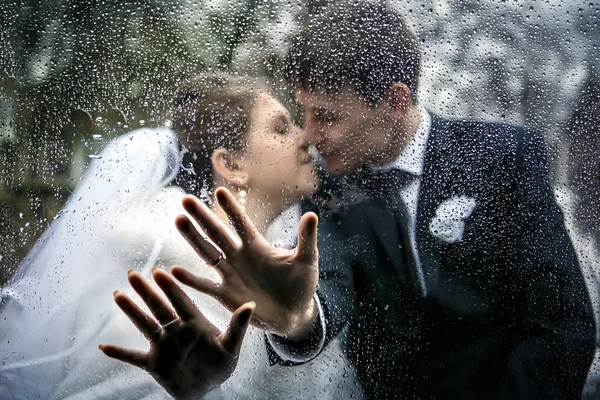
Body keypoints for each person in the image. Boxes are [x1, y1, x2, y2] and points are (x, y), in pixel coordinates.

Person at [173, 2, 596, 398]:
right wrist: (295, 318)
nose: (307, 136)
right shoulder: (323, 190)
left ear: (395, 100)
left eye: (328, 116)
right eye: (304, 114)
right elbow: (327, 291)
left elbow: (561, 321)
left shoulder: (504, 155)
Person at [0, 74, 360, 399]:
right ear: (231, 165)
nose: (305, 138)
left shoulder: (293, 260)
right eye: (282, 129)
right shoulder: (154, 265)